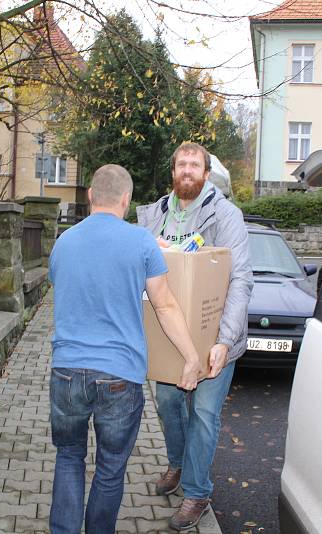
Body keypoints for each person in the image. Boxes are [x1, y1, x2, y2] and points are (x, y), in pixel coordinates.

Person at [48, 164, 204, 534]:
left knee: (68, 458)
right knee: (110, 468)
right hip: (120, 376)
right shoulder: (142, 242)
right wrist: (191, 356)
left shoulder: (63, 242)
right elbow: (164, 306)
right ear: (126, 200)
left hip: (67, 371)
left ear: (89, 195)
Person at [137, 143, 254, 531]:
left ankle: (197, 491)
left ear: (206, 173)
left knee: (203, 414)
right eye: (182, 164)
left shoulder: (225, 215)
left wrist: (224, 339)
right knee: (169, 404)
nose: (188, 170)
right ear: (173, 171)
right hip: (169, 336)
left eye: (195, 164)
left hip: (214, 335)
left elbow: (240, 279)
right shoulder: (154, 215)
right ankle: (177, 462)